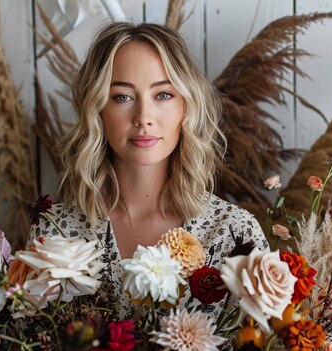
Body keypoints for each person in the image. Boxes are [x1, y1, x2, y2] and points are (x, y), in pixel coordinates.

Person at [27, 22, 268, 320]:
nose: (143, 117)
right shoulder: (56, 232)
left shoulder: (234, 232)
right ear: (97, 110)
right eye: (122, 97)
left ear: (186, 106)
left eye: (163, 94)